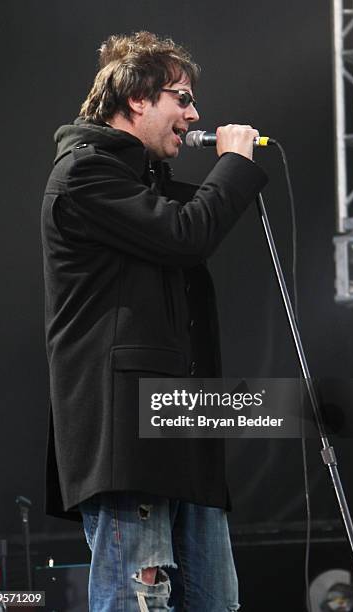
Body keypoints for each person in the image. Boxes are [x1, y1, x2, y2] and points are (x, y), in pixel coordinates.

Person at [41, 31, 268, 611]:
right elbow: (187, 235)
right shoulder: (83, 177)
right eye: (182, 97)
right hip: (129, 437)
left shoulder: (148, 186)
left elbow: (195, 224)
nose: (194, 114)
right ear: (138, 98)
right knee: (139, 595)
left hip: (185, 429)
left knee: (214, 599)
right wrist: (235, 164)